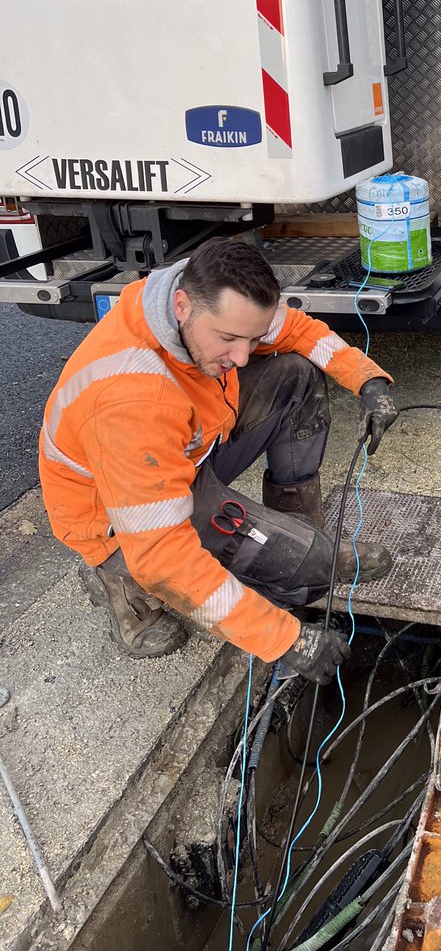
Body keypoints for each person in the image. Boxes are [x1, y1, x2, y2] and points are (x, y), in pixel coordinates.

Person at [40, 237, 399, 685]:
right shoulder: (132, 400)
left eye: (251, 337)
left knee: (295, 374)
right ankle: (119, 579)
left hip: (185, 453)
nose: (243, 357)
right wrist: (286, 640)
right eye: (229, 340)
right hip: (117, 513)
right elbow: (165, 556)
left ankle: (302, 535)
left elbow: (299, 332)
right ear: (182, 306)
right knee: (301, 574)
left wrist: (367, 381)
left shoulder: (206, 299)